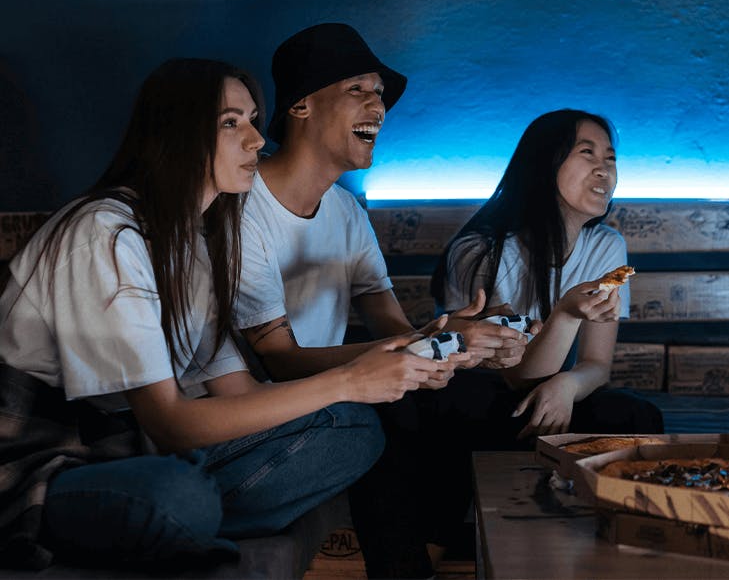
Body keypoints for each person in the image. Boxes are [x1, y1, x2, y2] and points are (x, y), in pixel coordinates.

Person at [0, 58, 440, 572]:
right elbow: (170, 424)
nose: (256, 140)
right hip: (39, 463)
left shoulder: (191, 246)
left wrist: (385, 360)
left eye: (254, 120)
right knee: (177, 495)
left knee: (355, 429)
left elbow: (239, 394)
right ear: (175, 134)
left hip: (129, 453)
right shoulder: (107, 232)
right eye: (232, 123)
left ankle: (176, 523)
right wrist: (347, 380)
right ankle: (175, 517)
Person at [234, 23, 530, 579]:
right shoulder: (242, 207)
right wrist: (407, 357)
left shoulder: (346, 210)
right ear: (300, 105)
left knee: (476, 396)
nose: (379, 106)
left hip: (337, 383)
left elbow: (393, 326)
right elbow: (278, 359)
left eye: (380, 94)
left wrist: (454, 342)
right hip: (270, 402)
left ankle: (467, 554)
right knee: (380, 411)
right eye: (359, 90)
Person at [431, 108, 664, 445]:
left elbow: (597, 364)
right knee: (462, 397)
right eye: (587, 153)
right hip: (484, 401)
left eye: (610, 159)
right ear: (544, 164)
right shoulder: (481, 250)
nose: (604, 169)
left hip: (553, 393)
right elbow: (515, 377)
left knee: (633, 413)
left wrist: (566, 387)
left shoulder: (606, 246)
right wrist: (567, 314)